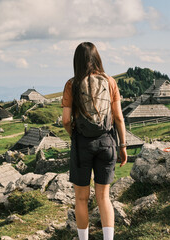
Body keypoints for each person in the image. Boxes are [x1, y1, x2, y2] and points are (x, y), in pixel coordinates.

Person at [61, 42, 127, 240]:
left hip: (82, 144)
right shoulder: (110, 81)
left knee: (81, 198)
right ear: (97, 58)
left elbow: (65, 120)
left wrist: (74, 134)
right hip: (107, 142)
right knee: (104, 197)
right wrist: (122, 145)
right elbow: (119, 118)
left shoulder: (72, 84)